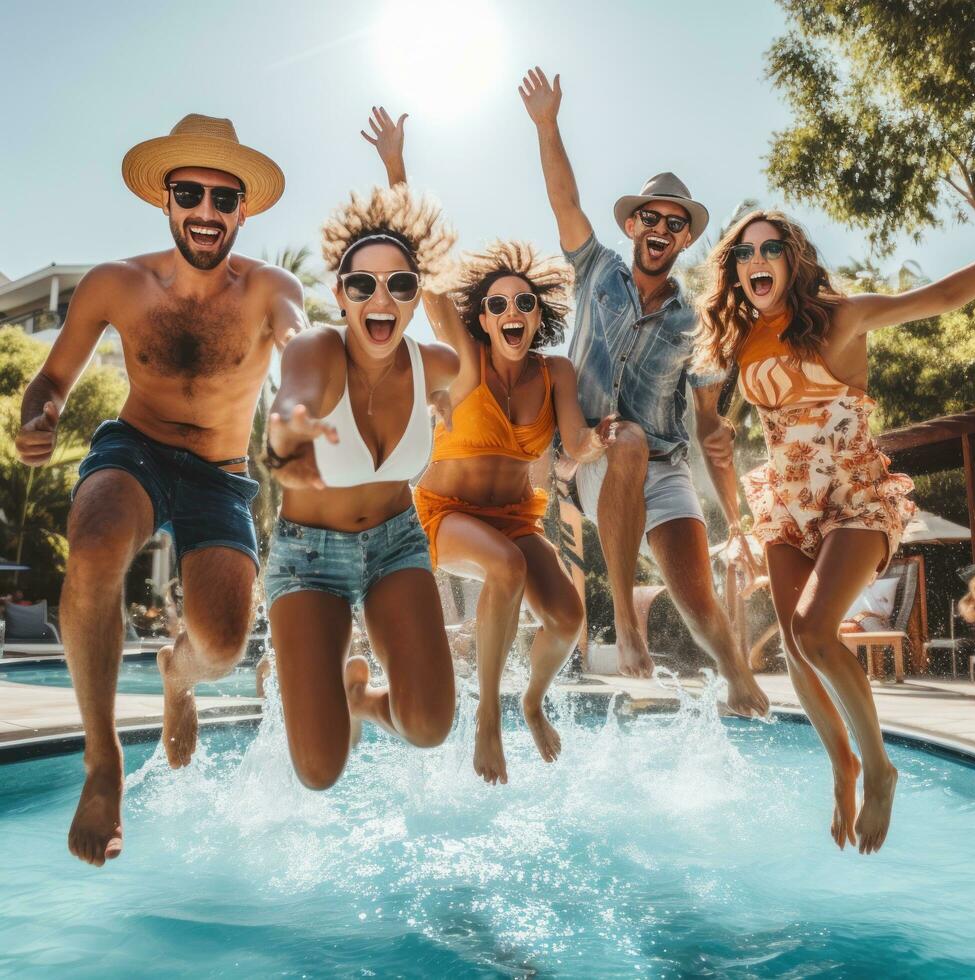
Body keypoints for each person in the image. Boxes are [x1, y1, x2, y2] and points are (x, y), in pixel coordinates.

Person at [15, 114, 300, 867]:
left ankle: (179, 677)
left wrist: (308, 394)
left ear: (245, 210)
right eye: (189, 193)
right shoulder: (117, 284)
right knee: (97, 535)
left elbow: (299, 338)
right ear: (165, 201)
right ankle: (102, 760)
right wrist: (38, 412)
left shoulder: (270, 288)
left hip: (221, 474)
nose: (206, 210)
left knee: (223, 644)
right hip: (134, 446)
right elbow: (52, 377)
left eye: (223, 197)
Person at [697, 208, 975, 852]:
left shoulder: (844, 318)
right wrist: (733, 510)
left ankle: (879, 768)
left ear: (792, 260)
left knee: (815, 631)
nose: (757, 260)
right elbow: (713, 432)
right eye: (744, 254)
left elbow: (944, 296)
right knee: (797, 649)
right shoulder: (740, 342)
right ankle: (842, 766)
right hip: (789, 506)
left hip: (855, 497)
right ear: (736, 272)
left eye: (771, 248)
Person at [363, 106, 617, 785]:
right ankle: (486, 722)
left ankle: (533, 702)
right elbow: (423, 255)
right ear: (483, 315)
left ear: (538, 317)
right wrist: (396, 166)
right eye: (499, 304)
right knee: (503, 568)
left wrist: (602, 440)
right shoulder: (463, 348)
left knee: (566, 617)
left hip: (516, 518)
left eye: (525, 304)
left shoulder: (553, 372)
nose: (512, 313)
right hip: (442, 514)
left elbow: (574, 446)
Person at [519, 67, 769, 717]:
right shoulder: (598, 270)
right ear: (634, 227)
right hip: (596, 452)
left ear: (684, 238)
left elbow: (709, 423)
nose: (659, 228)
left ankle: (741, 682)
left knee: (699, 601)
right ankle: (626, 623)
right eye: (649, 217)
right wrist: (547, 125)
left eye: (673, 223)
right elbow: (564, 204)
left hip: (666, 469)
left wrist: (736, 514)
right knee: (624, 438)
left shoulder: (700, 323)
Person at [263, 183, 459, 790]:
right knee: (319, 772)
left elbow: (467, 374)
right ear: (340, 295)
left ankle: (366, 702)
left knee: (428, 727)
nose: (381, 297)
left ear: (415, 295)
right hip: (308, 560)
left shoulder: (439, 365)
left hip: (396, 547)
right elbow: (291, 403)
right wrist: (286, 439)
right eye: (362, 285)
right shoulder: (317, 349)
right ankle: (340, 690)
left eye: (399, 284)